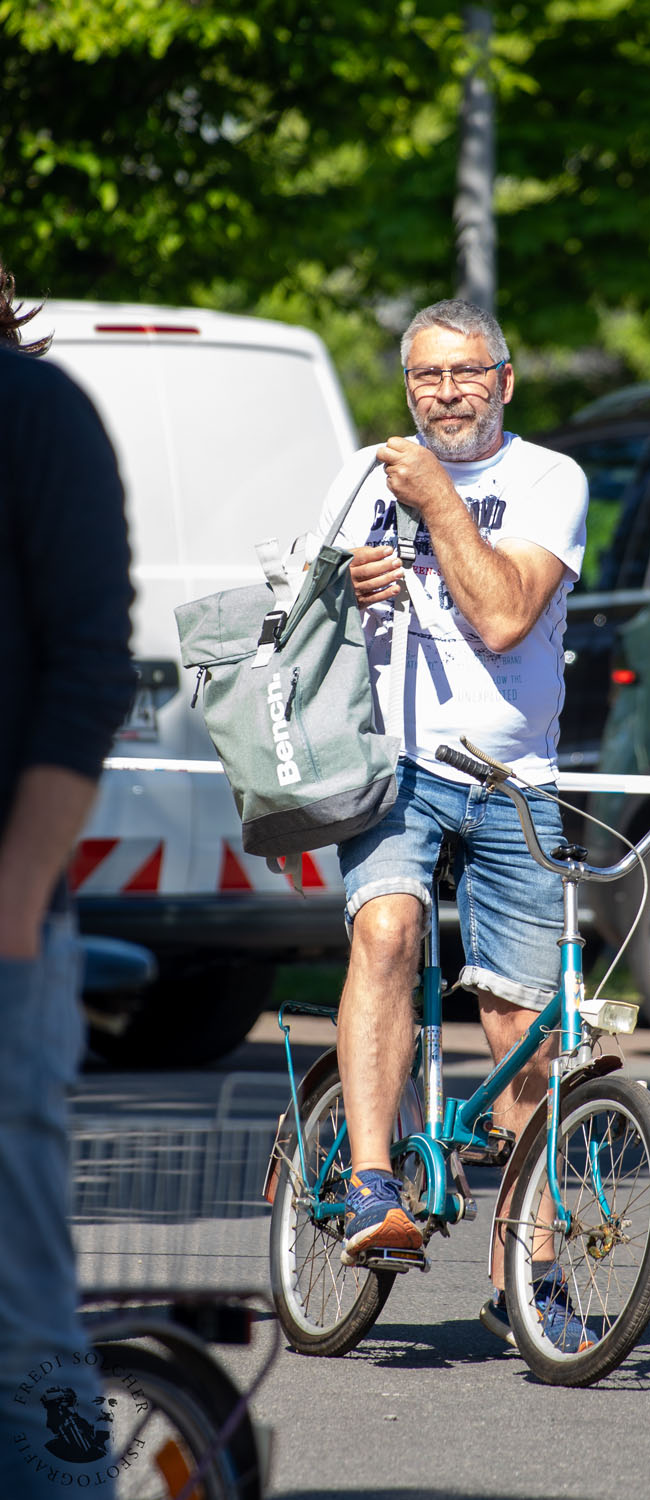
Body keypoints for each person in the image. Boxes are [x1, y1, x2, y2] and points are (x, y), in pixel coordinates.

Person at [315, 298, 590, 1349]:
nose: (446, 392)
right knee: (386, 931)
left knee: (523, 1032)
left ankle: (535, 1271)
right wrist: (349, 582)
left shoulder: (548, 479)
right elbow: (302, 617)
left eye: (467, 372)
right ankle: (371, 1182)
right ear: (407, 387)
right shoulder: (359, 476)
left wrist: (435, 506)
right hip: (392, 764)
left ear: (506, 380)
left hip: (516, 776)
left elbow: (506, 613)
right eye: (426, 377)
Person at [0, 265, 136, 1485]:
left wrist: (13, 909)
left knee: (14, 1337)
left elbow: (95, 673)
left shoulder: (34, 416)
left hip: (1, 942)